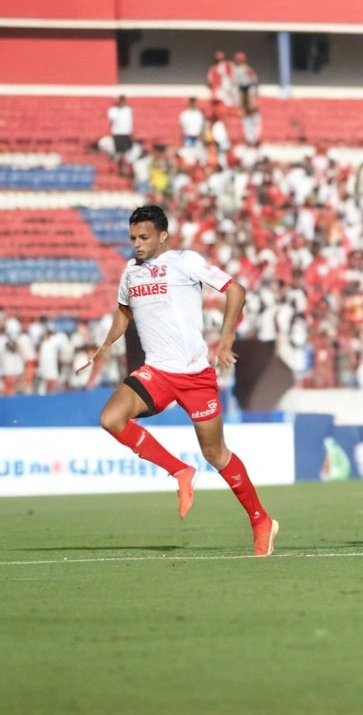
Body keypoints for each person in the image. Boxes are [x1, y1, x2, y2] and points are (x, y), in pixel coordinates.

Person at [79, 205, 278, 556]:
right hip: (157, 372)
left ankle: (261, 520)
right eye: (132, 238)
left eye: (144, 238)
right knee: (111, 418)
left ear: (163, 236)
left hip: (195, 375)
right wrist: (105, 346)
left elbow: (236, 291)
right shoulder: (130, 273)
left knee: (216, 453)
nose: (137, 244)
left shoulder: (186, 262)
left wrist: (226, 342)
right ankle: (180, 470)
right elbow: (124, 312)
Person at [107, 95, 133, 175]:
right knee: (116, 153)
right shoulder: (113, 110)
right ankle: (115, 168)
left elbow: (130, 122)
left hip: (126, 134)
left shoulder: (128, 110)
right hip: (117, 133)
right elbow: (110, 121)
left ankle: (124, 168)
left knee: (126, 153)